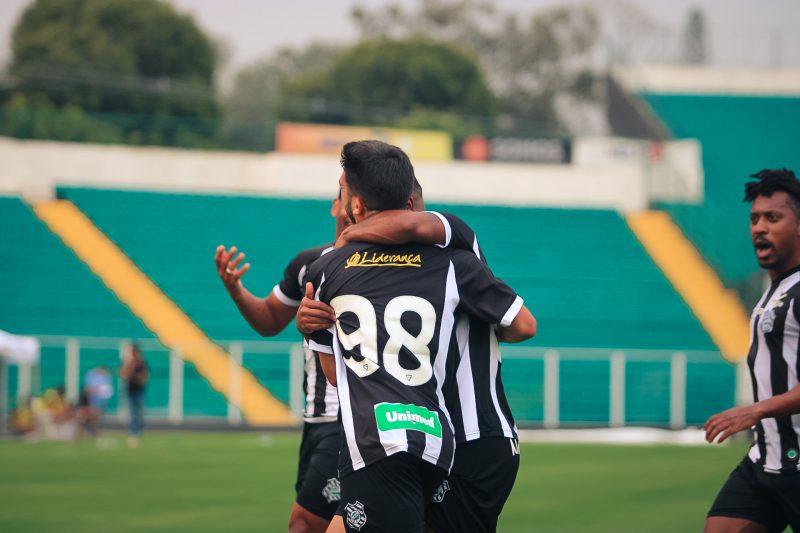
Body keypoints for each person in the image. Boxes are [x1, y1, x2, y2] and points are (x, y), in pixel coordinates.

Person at [305, 140, 537, 533]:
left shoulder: (451, 247)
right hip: (432, 433)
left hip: (471, 435)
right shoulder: (446, 264)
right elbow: (522, 326)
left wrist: (346, 241)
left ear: (358, 207)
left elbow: (414, 225)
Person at [214, 194, 348, 533]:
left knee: (304, 525)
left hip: (348, 417)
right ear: (336, 204)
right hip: (317, 420)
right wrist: (236, 291)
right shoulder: (309, 263)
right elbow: (269, 320)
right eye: (345, 191)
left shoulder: (384, 265)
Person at [704, 168, 800, 533]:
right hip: (765, 460)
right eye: (754, 218)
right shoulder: (774, 289)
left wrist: (755, 411)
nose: (759, 227)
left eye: (773, 218)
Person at [120, 343, 149, 448]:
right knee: (132, 414)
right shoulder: (128, 363)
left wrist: (136, 376)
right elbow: (123, 375)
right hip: (130, 392)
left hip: (139, 391)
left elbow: (144, 379)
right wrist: (130, 365)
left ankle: (137, 431)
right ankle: (133, 434)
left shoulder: (142, 364)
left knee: (138, 413)